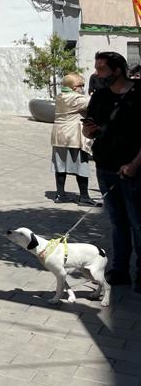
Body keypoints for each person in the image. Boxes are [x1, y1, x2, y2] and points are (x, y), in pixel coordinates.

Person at [83, 51, 141, 291]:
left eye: (101, 69)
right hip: (105, 167)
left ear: (117, 70)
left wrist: (135, 165)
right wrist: (89, 130)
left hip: (133, 169)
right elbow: (88, 130)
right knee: (118, 222)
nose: (97, 74)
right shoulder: (100, 96)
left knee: (138, 222)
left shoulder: (138, 95)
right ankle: (119, 270)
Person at [51, 72, 95, 205]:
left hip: (59, 135)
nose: (83, 88)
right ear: (75, 87)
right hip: (73, 136)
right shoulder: (76, 99)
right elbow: (93, 102)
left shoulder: (59, 96)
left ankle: (60, 194)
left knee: (60, 166)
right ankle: (84, 197)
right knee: (80, 166)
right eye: (81, 85)